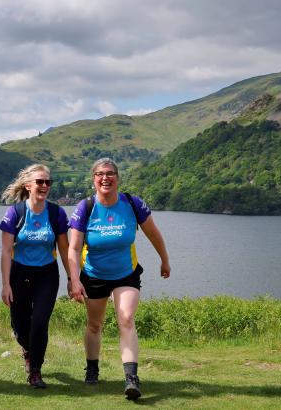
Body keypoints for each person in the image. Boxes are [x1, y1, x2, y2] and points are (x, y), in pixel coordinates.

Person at [67, 158, 171, 401]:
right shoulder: (86, 207)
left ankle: (131, 378)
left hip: (126, 273)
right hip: (94, 274)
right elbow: (73, 248)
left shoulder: (132, 204)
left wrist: (164, 260)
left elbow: (154, 234)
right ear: (93, 179)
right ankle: (92, 367)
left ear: (118, 178)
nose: (106, 178)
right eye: (100, 174)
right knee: (95, 324)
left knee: (126, 318)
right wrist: (74, 280)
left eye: (110, 173)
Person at [0, 164, 70, 389]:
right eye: (40, 182)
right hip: (19, 273)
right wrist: (5, 284)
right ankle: (27, 349)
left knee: (39, 322)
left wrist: (73, 279)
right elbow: (6, 251)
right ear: (28, 186)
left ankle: (36, 371)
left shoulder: (56, 213)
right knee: (20, 325)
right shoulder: (15, 213)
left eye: (48, 182)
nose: (45, 186)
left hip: (47, 274)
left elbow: (65, 250)